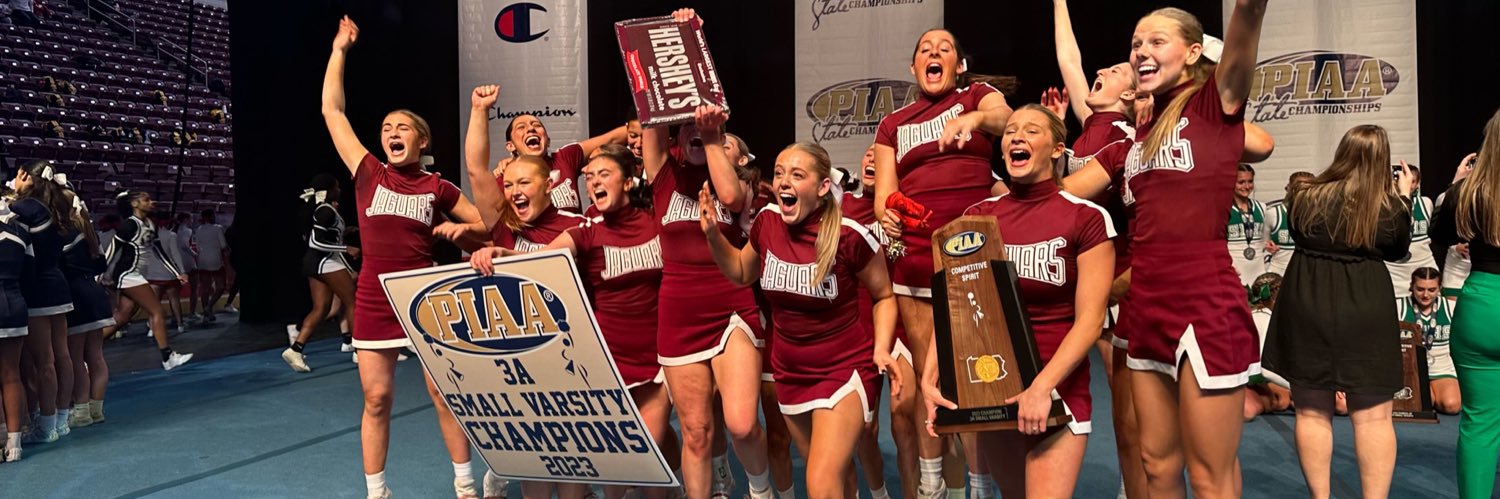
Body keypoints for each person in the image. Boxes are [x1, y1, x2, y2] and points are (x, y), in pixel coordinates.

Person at [1059, 3, 1269, 497]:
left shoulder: (1215, 106)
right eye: (1136, 44)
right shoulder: (1132, 140)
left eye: (1156, 41)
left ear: (1194, 52)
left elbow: (1249, 17)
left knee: (1209, 475)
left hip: (1205, 306)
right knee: (1155, 466)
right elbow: (1060, 194)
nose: (1141, 51)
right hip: (1145, 310)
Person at [321, 15, 492, 499]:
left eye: (403, 128)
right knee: (377, 399)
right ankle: (377, 491)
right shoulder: (368, 172)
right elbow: (333, 112)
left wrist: (461, 230)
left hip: (425, 296)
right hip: (375, 297)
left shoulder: (436, 186)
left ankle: (464, 485)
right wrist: (340, 51)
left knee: (444, 394)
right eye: (385, 127)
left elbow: (486, 226)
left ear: (422, 140)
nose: (391, 132)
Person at [474, 109, 676, 499]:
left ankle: (673, 487)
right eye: (589, 177)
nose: (593, 181)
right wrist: (499, 253)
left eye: (603, 174)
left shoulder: (658, 221)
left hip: (657, 356)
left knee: (649, 464)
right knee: (618, 475)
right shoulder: (584, 229)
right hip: (605, 364)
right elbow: (539, 259)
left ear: (630, 181)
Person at [923, 105, 1114, 499]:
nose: (1016, 137)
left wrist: (1041, 388)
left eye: (1031, 130)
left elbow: (1091, 321)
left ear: (1058, 149)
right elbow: (954, 307)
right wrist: (931, 375)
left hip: (1057, 387)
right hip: (994, 387)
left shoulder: (1086, 218)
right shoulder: (977, 218)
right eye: (1010, 131)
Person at [702, 141, 897, 499]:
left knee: (821, 485)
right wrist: (714, 237)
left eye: (797, 174)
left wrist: (882, 349)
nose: (783, 182)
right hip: (790, 374)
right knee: (836, 478)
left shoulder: (850, 236)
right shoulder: (767, 223)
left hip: (843, 371)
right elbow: (743, 271)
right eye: (778, 173)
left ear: (823, 187)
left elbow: (884, 296)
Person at [871, 27, 1015, 499]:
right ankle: (932, 483)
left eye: (945, 49)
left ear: (959, 66)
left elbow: (1005, 118)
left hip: (971, 262)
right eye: (924, 51)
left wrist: (972, 118)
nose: (934, 54)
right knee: (926, 379)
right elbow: (883, 195)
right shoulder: (893, 124)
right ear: (914, 68)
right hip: (914, 262)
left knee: (974, 379)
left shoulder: (977, 95)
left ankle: (977, 485)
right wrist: (887, 217)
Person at [1264, 124, 1413, 499]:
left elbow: (1297, 233)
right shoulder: (1388, 207)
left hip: (1307, 301)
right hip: (1364, 305)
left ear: (1343, 152)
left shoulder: (1303, 195)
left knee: (1312, 413)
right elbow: (1397, 249)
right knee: (1374, 418)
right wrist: (1405, 197)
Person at [464, 85, 591, 499]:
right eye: (510, 183)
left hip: (572, 363)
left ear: (548, 185)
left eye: (525, 182)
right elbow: (476, 169)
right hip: (521, 361)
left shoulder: (577, 224)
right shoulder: (505, 224)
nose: (515, 190)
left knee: (572, 457)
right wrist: (480, 110)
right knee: (534, 460)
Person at [1044, 3, 1143, 493]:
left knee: (1126, 397)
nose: (1100, 72)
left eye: (1116, 70)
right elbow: (1069, 59)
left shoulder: (1129, 135)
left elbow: (1067, 196)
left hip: (1120, 277)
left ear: (1132, 93)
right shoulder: (1089, 123)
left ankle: (1135, 483)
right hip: (1082, 271)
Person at [1431, 107, 1500, 499]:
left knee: (1479, 425)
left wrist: (1456, 184)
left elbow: (1438, 233)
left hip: (1480, 307)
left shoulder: (1471, 191)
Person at [842, 144, 916, 499]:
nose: (871, 158)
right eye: (866, 154)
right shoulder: (840, 207)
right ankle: (880, 493)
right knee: (862, 429)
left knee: (905, 421)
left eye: (879, 155)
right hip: (857, 327)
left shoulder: (910, 206)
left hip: (904, 323)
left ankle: (921, 491)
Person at [12, 160, 77, 443]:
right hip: (57, 285)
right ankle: (60, 418)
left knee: (42, 361)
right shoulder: (50, 205)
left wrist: (15, 190)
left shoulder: (27, 207)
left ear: (25, 175)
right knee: (60, 356)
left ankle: (47, 424)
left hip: (37, 289)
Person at [101, 190, 193, 370]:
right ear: (134, 204)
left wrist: (176, 273)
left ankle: (85, 352)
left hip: (135, 275)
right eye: (146, 199)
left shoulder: (150, 223)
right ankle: (168, 357)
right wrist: (98, 275)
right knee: (157, 311)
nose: (152, 202)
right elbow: (111, 251)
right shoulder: (129, 225)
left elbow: (158, 251)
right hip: (127, 275)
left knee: (121, 317)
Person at [283, 174, 357, 373]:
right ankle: (360, 349)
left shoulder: (323, 209)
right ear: (330, 189)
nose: (340, 190)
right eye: (337, 187)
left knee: (321, 309)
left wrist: (346, 231)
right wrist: (346, 248)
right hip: (324, 262)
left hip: (316, 263)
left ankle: (296, 349)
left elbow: (326, 236)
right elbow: (315, 242)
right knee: (352, 301)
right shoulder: (325, 209)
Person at [494, 108, 628, 213]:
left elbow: (612, 139)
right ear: (510, 146)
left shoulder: (565, 157)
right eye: (521, 127)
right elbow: (491, 225)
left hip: (576, 245)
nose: (531, 128)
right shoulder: (505, 178)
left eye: (536, 125)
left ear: (547, 141)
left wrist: (644, 124)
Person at [59, 191, 112, 431]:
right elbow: (101, 264)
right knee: (96, 356)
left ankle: (80, 410)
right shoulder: (90, 235)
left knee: (76, 358)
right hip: (96, 294)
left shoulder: (65, 234)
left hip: (77, 297)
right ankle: (95, 409)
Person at [1397, 267, 1460, 414]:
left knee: (1451, 406)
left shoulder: (1451, 308)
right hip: (1410, 368)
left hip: (1441, 366)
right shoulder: (1398, 306)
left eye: (1432, 290)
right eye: (1420, 289)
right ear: (1411, 287)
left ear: (1440, 288)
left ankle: (1436, 390)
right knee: (1422, 403)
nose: (1426, 295)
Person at [0, 182, 29, 461]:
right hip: (15, 303)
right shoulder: (20, 230)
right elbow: (29, 272)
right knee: (11, 374)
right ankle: (15, 443)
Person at [1243, 273, 1291, 420]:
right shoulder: (1264, 319)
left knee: (1282, 400)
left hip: (1253, 379)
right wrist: (1296, 388)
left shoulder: (1261, 315)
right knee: (1250, 409)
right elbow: (1265, 369)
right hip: (1245, 379)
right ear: (1277, 298)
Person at [1386, 164, 1437, 298]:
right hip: (1394, 271)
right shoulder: (1385, 204)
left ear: (1418, 183)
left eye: (1413, 181)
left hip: (1424, 268)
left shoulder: (1426, 203)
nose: (1409, 184)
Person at [142, 212, 189, 335]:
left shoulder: (145, 236)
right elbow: (175, 254)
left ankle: (152, 329)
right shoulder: (171, 235)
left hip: (152, 274)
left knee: (153, 303)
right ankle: (180, 325)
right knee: (174, 300)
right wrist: (182, 271)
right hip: (169, 274)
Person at [1264, 171, 1314, 276]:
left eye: (1308, 189)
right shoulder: (1273, 214)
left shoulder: (1317, 216)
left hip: (1306, 273)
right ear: (1289, 189)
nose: (1303, 194)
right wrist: (1267, 249)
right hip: (1278, 273)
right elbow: (1261, 245)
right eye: (1299, 189)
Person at [1228, 164, 1269, 288]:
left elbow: (1265, 241)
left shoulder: (1262, 207)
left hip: (1259, 271)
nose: (1247, 186)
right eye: (1241, 182)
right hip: (1235, 272)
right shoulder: (1224, 209)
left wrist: (1269, 245)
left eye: (1250, 181)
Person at [191, 209, 229, 319]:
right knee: (221, 287)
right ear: (211, 216)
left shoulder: (198, 229)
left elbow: (197, 247)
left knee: (205, 288)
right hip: (216, 260)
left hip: (202, 261)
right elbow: (223, 245)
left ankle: (207, 313)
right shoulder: (218, 228)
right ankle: (209, 307)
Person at [174, 212, 198, 323]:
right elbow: (185, 246)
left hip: (177, 262)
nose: (192, 220)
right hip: (188, 261)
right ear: (185, 219)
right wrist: (194, 254)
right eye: (190, 218)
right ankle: (192, 313)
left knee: (175, 291)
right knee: (194, 287)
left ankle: (176, 316)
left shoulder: (172, 231)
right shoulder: (187, 231)